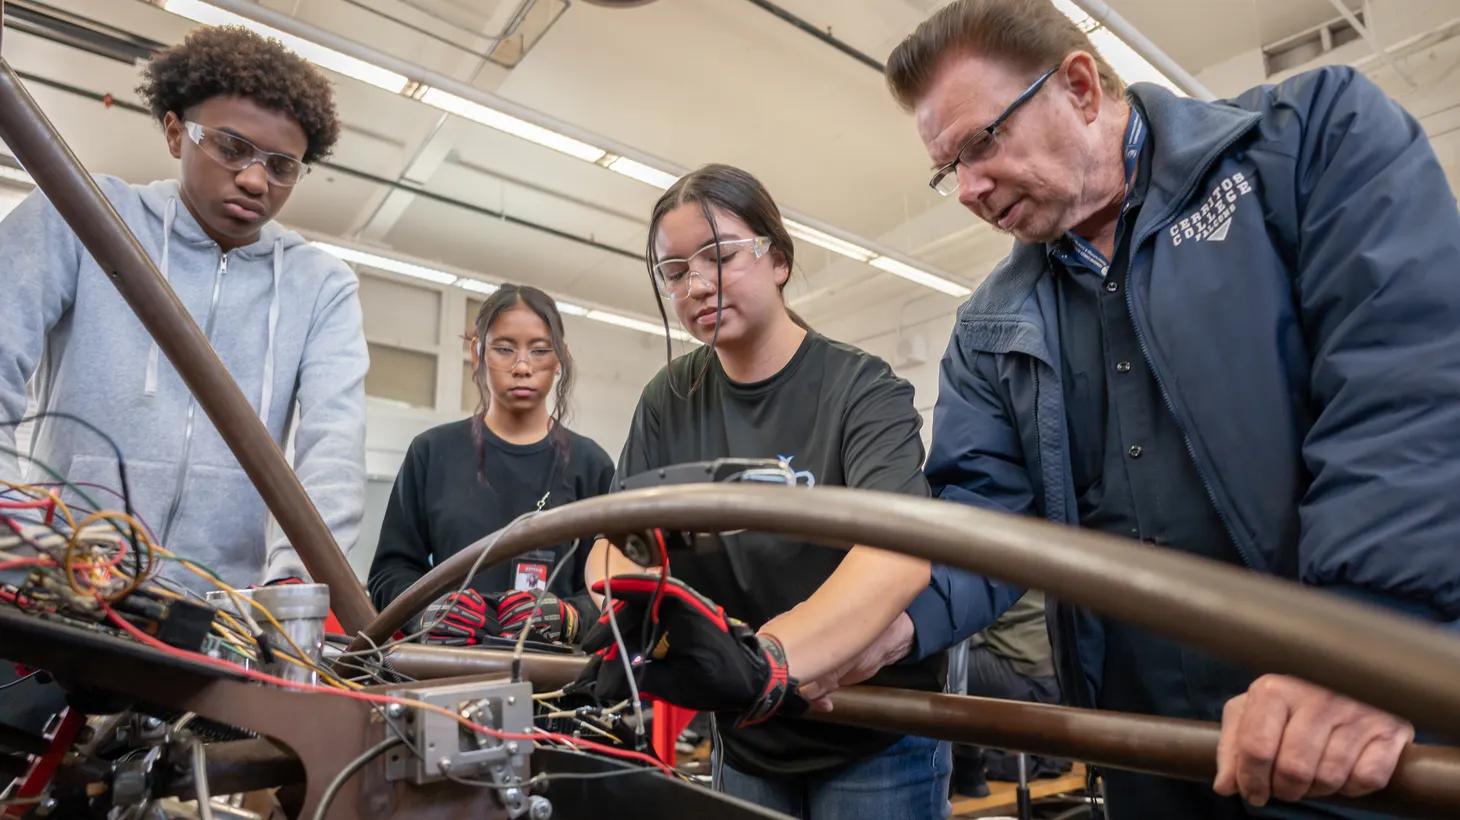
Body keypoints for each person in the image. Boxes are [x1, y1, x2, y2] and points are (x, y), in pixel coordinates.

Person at [834, 0, 1460, 816]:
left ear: (1083, 87)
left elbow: (1404, 385)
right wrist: (885, 629)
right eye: (947, 168)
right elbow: (978, 521)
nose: (967, 190)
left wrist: (1369, 641)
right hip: (1146, 754)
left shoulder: (1304, 145)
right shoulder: (991, 325)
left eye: (980, 143)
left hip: (1349, 736)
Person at [578, 163, 951, 820]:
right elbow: (620, 545)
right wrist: (625, 617)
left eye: (718, 257)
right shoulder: (669, 399)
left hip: (869, 734)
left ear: (777, 258)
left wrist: (767, 660)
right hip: (747, 732)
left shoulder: (861, 390)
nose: (695, 284)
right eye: (673, 272)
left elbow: (896, 556)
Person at [0, 24, 367, 594]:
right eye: (231, 147)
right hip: (58, 587)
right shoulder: (81, 215)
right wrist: (16, 534)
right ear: (175, 133)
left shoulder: (321, 285)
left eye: (281, 166)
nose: (253, 180)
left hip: (220, 618)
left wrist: (297, 583)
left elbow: (333, 448)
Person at [367, 285, 614, 646]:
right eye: (504, 349)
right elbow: (390, 572)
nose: (523, 367)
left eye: (541, 350)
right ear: (477, 353)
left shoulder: (592, 466)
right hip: (446, 672)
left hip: (556, 683)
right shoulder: (432, 452)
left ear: (561, 358)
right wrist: (426, 612)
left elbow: (609, 591)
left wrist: (571, 617)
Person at [951, 591, 1067, 798]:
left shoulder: (998, 561)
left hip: (1021, 674)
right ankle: (969, 769)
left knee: (947, 663)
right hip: (1053, 678)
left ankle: (966, 769)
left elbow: (968, 626)